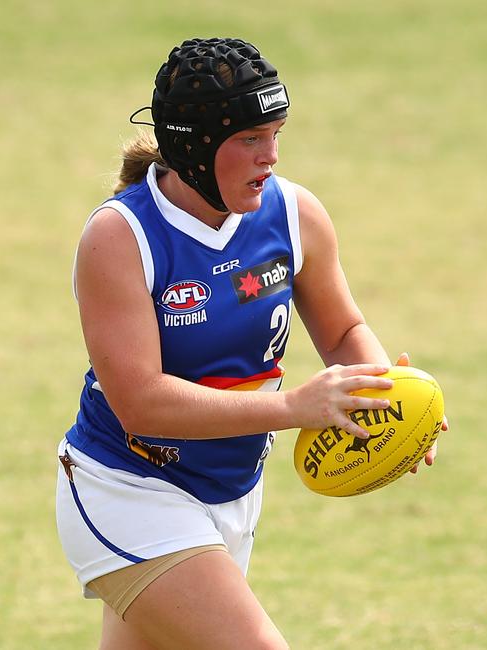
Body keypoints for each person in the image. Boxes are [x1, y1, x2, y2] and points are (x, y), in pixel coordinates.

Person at [55, 37, 442, 650]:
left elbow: (342, 331)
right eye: (249, 139)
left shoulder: (294, 214)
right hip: (129, 489)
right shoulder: (120, 236)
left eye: (275, 133)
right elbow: (141, 401)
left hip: (233, 493)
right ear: (195, 147)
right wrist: (293, 408)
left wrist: (389, 402)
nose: (271, 156)